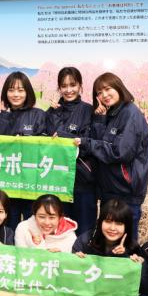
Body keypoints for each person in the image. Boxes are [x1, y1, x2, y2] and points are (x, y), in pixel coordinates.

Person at [73, 72, 148, 240]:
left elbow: (120, 152)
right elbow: (104, 144)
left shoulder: (130, 113)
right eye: (99, 92)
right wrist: (100, 121)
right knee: (107, 242)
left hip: (126, 191)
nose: (104, 95)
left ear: (119, 87)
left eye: (107, 89)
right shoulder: (113, 113)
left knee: (126, 243)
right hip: (110, 189)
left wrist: (87, 143)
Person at [45, 67, 97, 239]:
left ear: (80, 86)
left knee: (84, 233)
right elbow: (46, 143)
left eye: (73, 85)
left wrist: (62, 136)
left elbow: (90, 142)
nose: (68, 90)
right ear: (59, 88)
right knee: (59, 233)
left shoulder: (89, 111)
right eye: (64, 86)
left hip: (83, 181)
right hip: (57, 181)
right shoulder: (51, 112)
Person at [0, 71, 47, 224]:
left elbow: (45, 146)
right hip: (7, 184)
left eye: (20, 90)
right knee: (8, 227)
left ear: (28, 92)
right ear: (5, 93)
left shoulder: (39, 115)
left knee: (32, 228)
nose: (15, 94)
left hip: (31, 184)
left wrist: (27, 141)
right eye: (11, 90)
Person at [72, 198, 141, 259]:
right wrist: (75, 259)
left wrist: (126, 257)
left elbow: (141, 272)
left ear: (127, 226)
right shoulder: (85, 241)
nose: (112, 228)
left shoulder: (133, 248)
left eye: (119, 223)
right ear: (100, 222)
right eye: (108, 222)